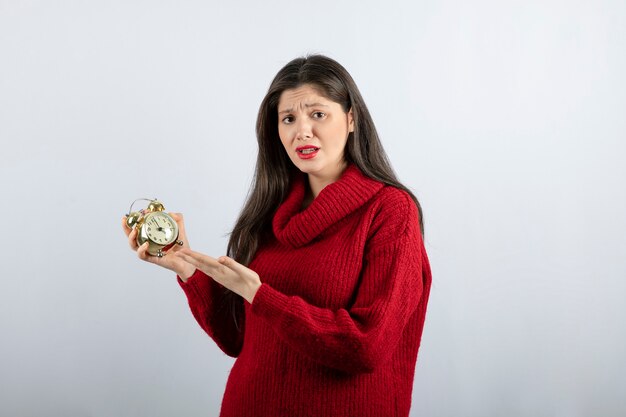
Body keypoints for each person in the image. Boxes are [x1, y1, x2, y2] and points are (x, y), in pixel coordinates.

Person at [122, 54, 432, 417]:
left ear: (351, 119)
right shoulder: (269, 213)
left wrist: (260, 294)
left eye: (318, 114)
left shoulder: (391, 210)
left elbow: (366, 347)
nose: (302, 131)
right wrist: (186, 266)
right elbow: (238, 339)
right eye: (288, 119)